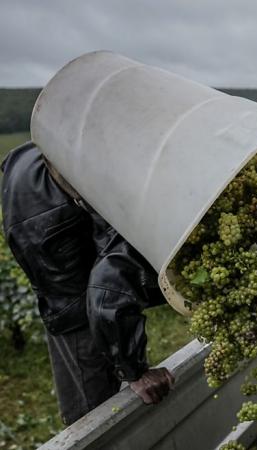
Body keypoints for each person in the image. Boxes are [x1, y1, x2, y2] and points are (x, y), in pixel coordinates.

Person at [1, 142, 174, 425]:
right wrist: (136, 372)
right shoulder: (136, 196)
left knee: (81, 312)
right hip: (50, 224)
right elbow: (108, 290)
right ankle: (90, 422)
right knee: (95, 415)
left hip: (30, 173)